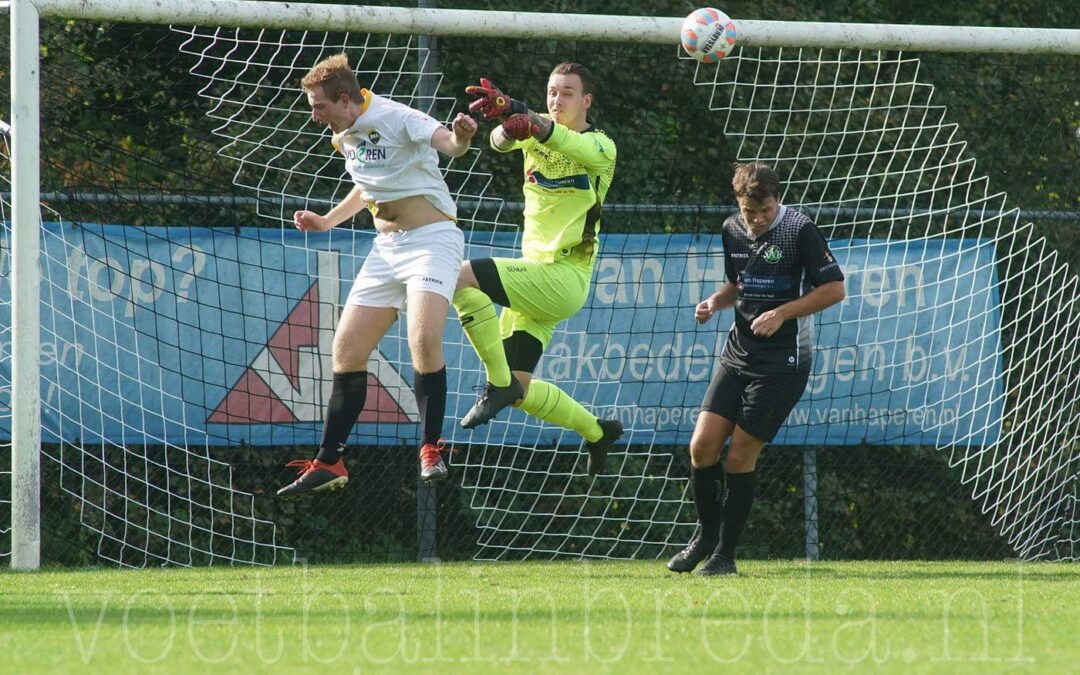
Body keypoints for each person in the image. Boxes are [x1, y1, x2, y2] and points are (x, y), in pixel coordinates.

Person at [277, 53, 477, 497]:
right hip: (386, 250)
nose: (314, 116)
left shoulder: (396, 115)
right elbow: (367, 185)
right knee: (345, 351)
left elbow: (448, 143)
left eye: (319, 107)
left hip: (432, 240)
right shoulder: (344, 133)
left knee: (422, 340)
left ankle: (431, 448)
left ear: (345, 100)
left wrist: (461, 137)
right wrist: (327, 220)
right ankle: (330, 461)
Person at [667, 162, 845, 575]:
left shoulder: (799, 230)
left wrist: (783, 313)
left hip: (784, 360)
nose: (759, 219)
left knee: (740, 456)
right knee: (702, 447)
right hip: (738, 351)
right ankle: (705, 537)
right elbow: (739, 284)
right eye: (751, 212)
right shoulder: (732, 229)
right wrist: (715, 301)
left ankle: (725, 556)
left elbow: (835, 288)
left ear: (776, 199)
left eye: (765, 210)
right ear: (739, 204)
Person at [454, 62, 623, 474]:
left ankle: (496, 384)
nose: (557, 99)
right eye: (551, 91)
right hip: (533, 281)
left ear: (586, 101)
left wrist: (521, 113)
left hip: (564, 278)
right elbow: (497, 141)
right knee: (520, 392)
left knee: (459, 276)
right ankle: (598, 430)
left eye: (567, 92)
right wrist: (509, 124)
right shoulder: (533, 128)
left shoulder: (601, 147)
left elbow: (556, 137)